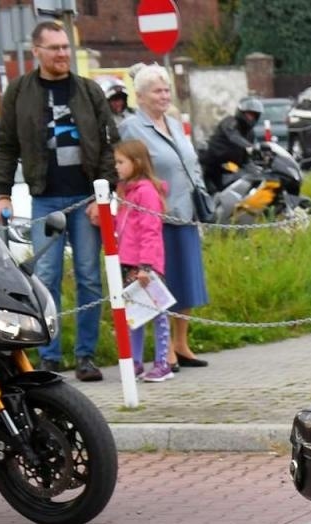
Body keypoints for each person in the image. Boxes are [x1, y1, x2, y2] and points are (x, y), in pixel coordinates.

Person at [0, 18, 119, 382]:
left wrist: (104, 193)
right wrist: (3, 193)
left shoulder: (89, 91)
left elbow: (109, 145)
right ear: (37, 52)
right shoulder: (19, 92)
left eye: (66, 47)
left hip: (85, 198)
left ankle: (86, 356)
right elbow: (6, 147)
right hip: (45, 198)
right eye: (55, 48)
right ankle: (49, 356)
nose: (63, 54)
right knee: (45, 279)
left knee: (89, 278)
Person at [119, 64, 212, 370]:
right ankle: (164, 351)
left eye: (167, 90)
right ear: (141, 96)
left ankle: (181, 343)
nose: (164, 96)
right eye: (158, 91)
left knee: (186, 280)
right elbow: (131, 168)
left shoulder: (172, 122)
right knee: (164, 281)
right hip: (155, 217)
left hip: (185, 211)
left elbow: (190, 160)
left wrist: (199, 193)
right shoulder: (133, 128)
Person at [113, 140, 174, 383]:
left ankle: (163, 362)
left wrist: (146, 265)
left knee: (157, 313)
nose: (116, 167)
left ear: (136, 163)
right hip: (128, 261)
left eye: (120, 162)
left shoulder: (146, 192)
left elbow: (150, 230)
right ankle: (135, 362)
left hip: (145, 264)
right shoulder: (126, 191)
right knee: (133, 313)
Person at [202, 96, 263, 191]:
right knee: (212, 193)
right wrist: (250, 146)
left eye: (254, 115)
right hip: (213, 167)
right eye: (249, 114)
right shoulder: (230, 122)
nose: (251, 118)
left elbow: (245, 159)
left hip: (230, 167)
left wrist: (258, 171)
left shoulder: (250, 133)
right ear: (241, 113)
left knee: (253, 180)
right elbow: (233, 136)